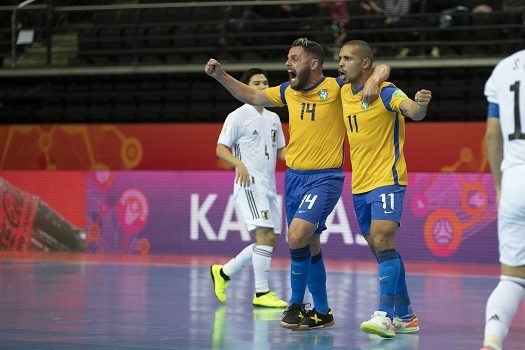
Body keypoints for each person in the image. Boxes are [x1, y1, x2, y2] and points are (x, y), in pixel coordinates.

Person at [205, 37, 391, 330]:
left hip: (325, 177)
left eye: (294, 58)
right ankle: (322, 310)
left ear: (313, 64)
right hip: (294, 178)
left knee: (295, 236)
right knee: (310, 244)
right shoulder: (288, 92)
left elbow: (380, 67)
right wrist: (220, 75)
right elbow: (253, 96)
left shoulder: (336, 87)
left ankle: (294, 303)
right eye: (288, 58)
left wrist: (374, 80)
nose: (287, 63)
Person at [337, 40, 431, 338]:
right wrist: (376, 75)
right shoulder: (341, 91)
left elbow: (413, 112)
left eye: (347, 58)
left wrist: (421, 105)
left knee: (382, 239)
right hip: (359, 184)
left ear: (364, 63)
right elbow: (380, 67)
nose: (340, 63)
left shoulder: (388, 91)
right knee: (380, 249)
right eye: (340, 58)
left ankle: (384, 315)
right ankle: (406, 315)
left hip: (387, 179)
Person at [210, 68, 288, 308]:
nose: (263, 86)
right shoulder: (237, 116)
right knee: (264, 235)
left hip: (269, 186)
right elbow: (221, 148)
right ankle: (261, 293)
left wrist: (304, 156)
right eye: (257, 83)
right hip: (249, 184)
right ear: (245, 87)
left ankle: (223, 272)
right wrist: (238, 163)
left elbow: (282, 152)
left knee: (270, 240)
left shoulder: (274, 118)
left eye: (266, 82)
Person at [480, 49, 525, 350]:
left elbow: (492, 136)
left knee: (512, 279)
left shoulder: (504, 67)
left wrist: (499, 185)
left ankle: (492, 342)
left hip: (514, 180)